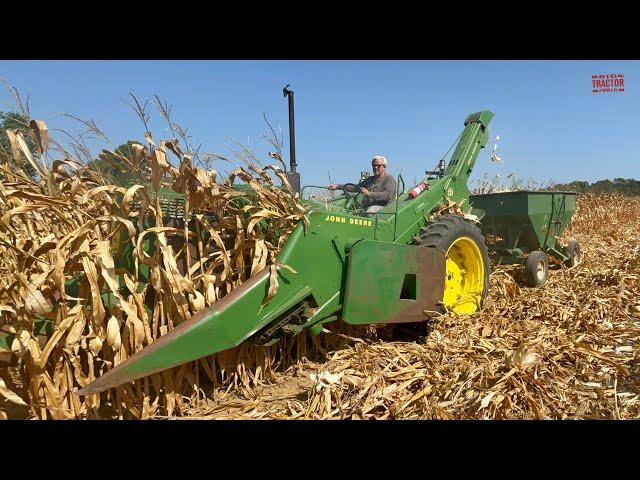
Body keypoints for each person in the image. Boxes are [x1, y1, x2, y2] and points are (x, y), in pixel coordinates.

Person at [328, 155, 396, 214]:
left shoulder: (389, 179)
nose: (375, 167)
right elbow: (355, 188)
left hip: (383, 208)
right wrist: (338, 186)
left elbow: (387, 195)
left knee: (370, 211)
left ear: (384, 167)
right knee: (351, 213)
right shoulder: (370, 179)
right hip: (366, 206)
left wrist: (369, 193)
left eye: (378, 165)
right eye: (374, 165)